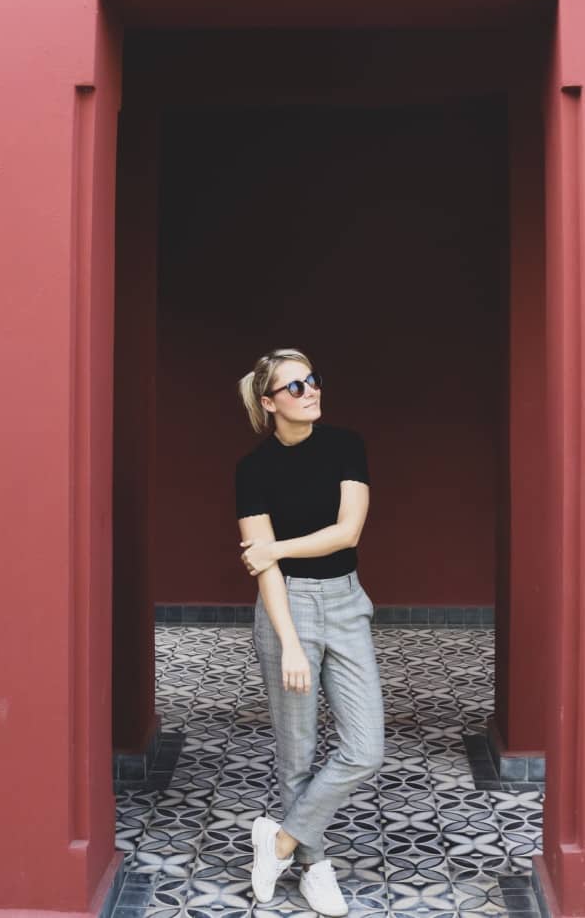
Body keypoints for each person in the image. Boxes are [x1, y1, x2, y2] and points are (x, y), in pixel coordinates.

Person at [235, 348, 384, 918]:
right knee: (295, 756)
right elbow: (266, 570)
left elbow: (347, 533)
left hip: (346, 601)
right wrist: (291, 642)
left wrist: (276, 546)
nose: (310, 391)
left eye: (313, 380)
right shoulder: (252, 469)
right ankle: (315, 868)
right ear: (270, 403)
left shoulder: (347, 445)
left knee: (365, 747)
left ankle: (278, 842)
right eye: (295, 387)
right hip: (286, 609)